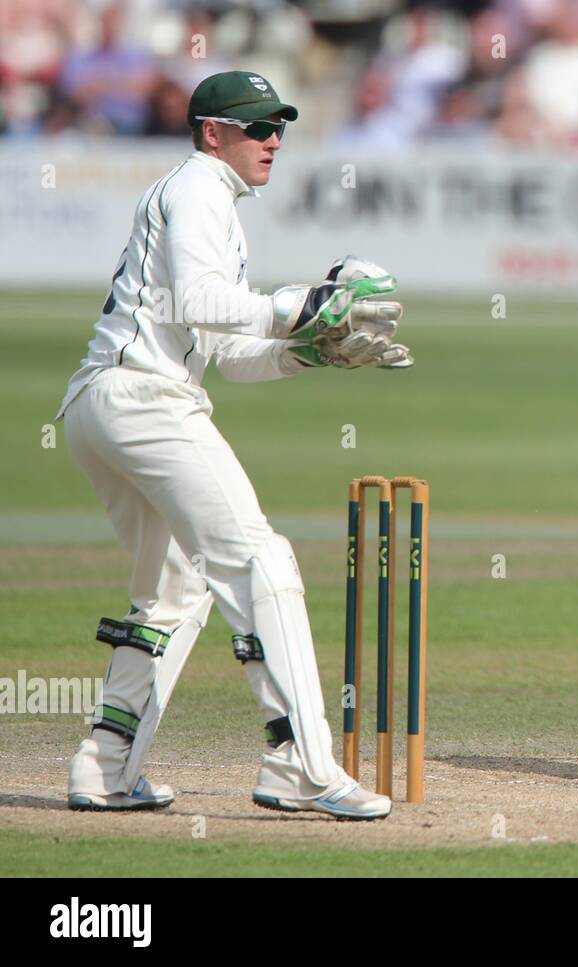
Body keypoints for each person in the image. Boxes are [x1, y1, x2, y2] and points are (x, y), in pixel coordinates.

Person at [58, 70, 411, 819]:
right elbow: (199, 301)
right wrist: (304, 304)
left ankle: (105, 764)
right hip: (145, 401)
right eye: (256, 128)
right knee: (261, 560)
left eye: (278, 126)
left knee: (175, 587)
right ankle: (301, 762)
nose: (272, 140)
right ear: (212, 132)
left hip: (104, 405)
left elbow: (224, 349)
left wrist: (308, 348)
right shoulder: (198, 188)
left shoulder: (210, 201)